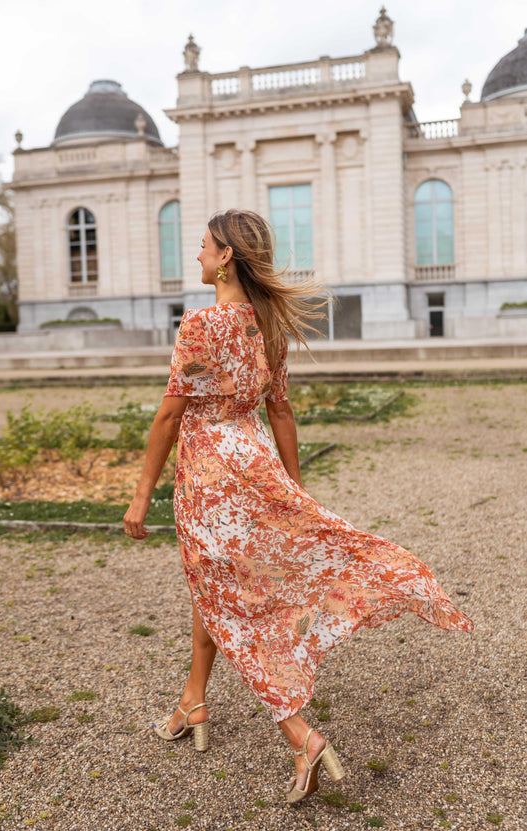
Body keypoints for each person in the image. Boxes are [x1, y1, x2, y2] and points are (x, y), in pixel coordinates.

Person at [123, 209, 473, 804]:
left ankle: (299, 733)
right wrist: (294, 490)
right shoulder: (268, 326)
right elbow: (280, 411)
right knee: (214, 589)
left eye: (205, 246)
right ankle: (193, 702)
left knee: (229, 602)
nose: (198, 254)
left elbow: (168, 415)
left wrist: (139, 496)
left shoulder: (201, 325)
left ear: (227, 256)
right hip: (255, 466)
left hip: (210, 477)